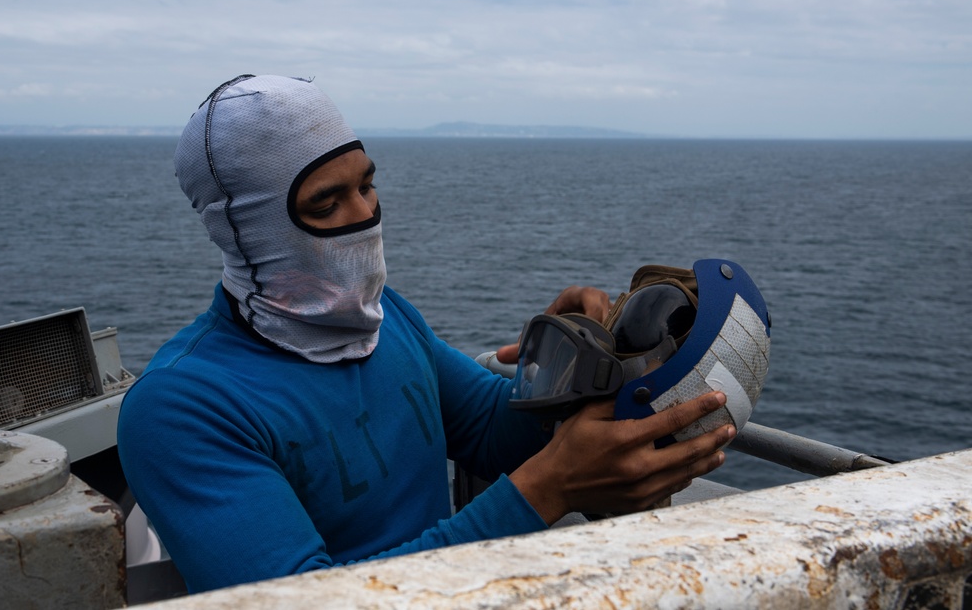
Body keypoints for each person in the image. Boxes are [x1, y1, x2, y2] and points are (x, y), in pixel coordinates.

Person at [116, 74, 735, 594]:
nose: (364, 215)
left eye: (366, 185)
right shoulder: (181, 408)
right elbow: (299, 600)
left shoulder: (385, 320)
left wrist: (566, 358)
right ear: (245, 230)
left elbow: (491, 430)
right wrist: (550, 487)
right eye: (326, 205)